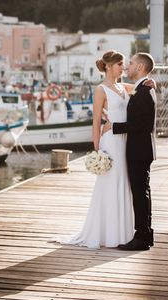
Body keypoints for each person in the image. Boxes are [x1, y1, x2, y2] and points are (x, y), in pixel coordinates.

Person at [52, 50, 134, 248]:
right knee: (110, 183)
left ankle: (122, 232)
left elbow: (140, 87)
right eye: (119, 64)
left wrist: (151, 82)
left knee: (123, 182)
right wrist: (97, 150)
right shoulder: (101, 90)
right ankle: (106, 233)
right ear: (108, 66)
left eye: (123, 64)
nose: (123, 68)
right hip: (110, 142)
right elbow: (96, 121)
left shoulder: (122, 86)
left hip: (124, 140)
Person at [103, 52, 157, 251]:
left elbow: (141, 124)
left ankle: (141, 237)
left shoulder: (144, 91)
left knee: (139, 194)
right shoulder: (143, 87)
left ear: (141, 68)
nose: (127, 66)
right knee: (143, 193)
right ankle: (146, 234)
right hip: (141, 149)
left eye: (131, 63)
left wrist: (114, 127)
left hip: (139, 150)